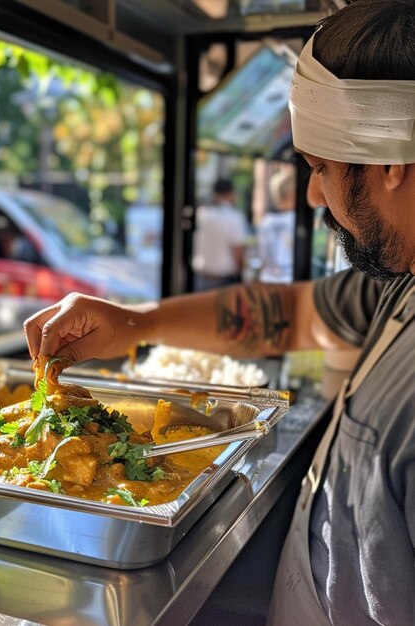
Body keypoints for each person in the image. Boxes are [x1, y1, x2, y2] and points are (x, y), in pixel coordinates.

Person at [24, 1, 415, 623]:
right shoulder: (401, 284)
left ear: (391, 163)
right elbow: (289, 312)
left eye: (320, 167)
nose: (315, 195)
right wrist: (132, 324)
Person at [191, 178, 249, 290]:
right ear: (231, 193)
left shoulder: (201, 214)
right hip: (224, 281)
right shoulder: (234, 217)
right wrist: (241, 273)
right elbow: (238, 250)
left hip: (200, 277)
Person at [258, 168, 296, 283]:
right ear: (291, 194)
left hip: (269, 277)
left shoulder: (266, 221)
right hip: (289, 278)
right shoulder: (294, 219)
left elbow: (263, 254)